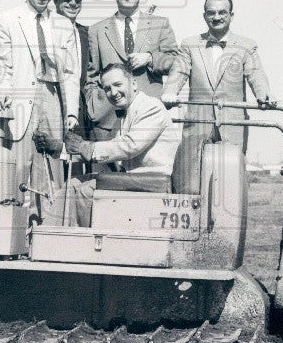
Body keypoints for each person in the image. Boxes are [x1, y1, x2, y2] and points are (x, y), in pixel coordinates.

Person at [35, 63, 180, 226]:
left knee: (85, 191)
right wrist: (60, 148)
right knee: (74, 183)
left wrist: (85, 147)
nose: (113, 93)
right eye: (107, 88)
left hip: (152, 180)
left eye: (117, 85)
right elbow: (107, 151)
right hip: (133, 180)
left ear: (133, 83)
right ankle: (51, 236)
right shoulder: (122, 118)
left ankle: (84, 242)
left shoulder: (151, 107)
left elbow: (130, 146)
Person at [0, 0, 79, 201]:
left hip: (52, 97)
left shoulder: (63, 24)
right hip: (21, 99)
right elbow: (2, 63)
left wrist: (71, 112)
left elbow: (71, 73)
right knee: (19, 165)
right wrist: (4, 90)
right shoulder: (7, 19)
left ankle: (49, 223)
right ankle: (15, 224)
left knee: (53, 166)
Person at [163, 0, 271, 152]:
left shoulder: (246, 45)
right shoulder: (189, 44)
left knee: (232, 172)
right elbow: (179, 71)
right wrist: (169, 93)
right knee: (193, 172)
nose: (216, 17)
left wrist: (264, 96)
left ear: (231, 15)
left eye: (222, 12)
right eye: (211, 12)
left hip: (233, 126)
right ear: (204, 16)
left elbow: (255, 73)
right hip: (198, 124)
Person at [85, 0, 179, 129]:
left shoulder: (160, 24)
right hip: (108, 119)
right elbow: (91, 76)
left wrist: (150, 58)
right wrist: (95, 108)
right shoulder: (97, 30)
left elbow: (176, 61)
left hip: (150, 115)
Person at [52, 0, 115, 141]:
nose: (73, 3)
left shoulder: (87, 33)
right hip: (53, 107)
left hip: (82, 112)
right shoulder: (47, 30)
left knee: (79, 162)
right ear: (55, 0)